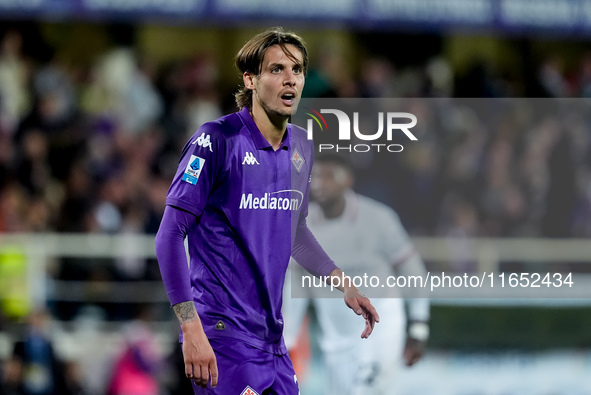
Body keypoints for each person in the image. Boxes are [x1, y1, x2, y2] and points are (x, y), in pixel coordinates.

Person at [154, 27, 379, 395]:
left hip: (273, 342)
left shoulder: (303, 147)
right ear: (251, 79)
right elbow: (169, 235)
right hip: (223, 337)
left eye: (298, 69)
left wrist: (344, 284)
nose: (290, 78)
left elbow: (295, 232)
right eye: (277, 69)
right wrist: (191, 328)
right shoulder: (217, 140)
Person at [283, 154, 430, 394]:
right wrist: (288, 338)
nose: (320, 183)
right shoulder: (300, 226)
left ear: (347, 180)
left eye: (329, 176)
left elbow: (413, 272)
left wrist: (418, 327)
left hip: (382, 330)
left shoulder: (379, 219)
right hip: (335, 341)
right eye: (315, 177)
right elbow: (296, 284)